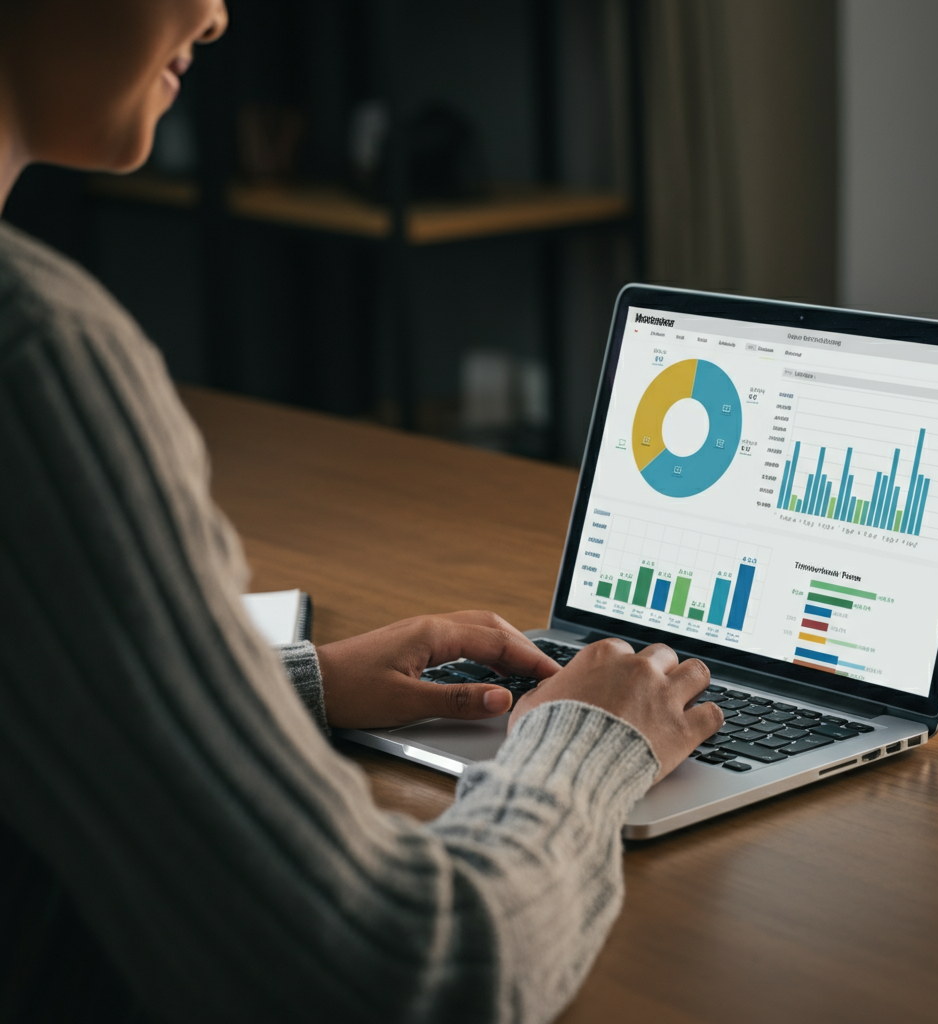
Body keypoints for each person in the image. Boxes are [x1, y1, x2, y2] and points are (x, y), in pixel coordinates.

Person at [0, 2, 723, 1021]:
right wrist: (588, 743)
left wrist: (274, 687)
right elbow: (396, 976)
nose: (214, 17)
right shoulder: (34, 359)